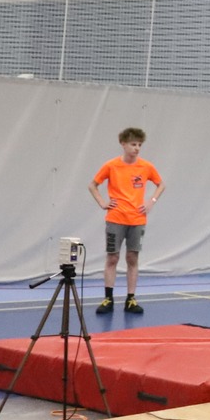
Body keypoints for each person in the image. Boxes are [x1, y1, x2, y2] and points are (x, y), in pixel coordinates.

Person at [88, 127, 164, 314]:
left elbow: (161, 184)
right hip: (116, 218)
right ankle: (108, 298)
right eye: (133, 144)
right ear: (123, 144)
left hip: (137, 219)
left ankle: (131, 299)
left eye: (139, 145)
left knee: (132, 257)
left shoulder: (146, 167)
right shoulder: (111, 166)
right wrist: (103, 203)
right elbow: (93, 185)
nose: (136, 148)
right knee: (112, 257)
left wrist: (151, 201)